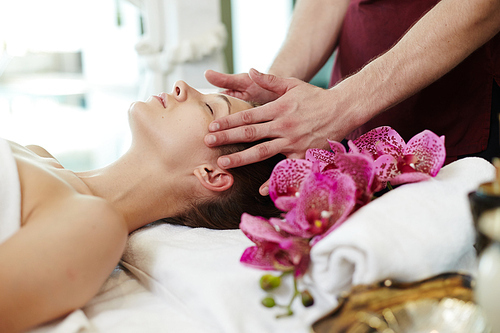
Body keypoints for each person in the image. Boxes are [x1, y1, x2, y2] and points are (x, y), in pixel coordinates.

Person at [0, 80, 283, 332]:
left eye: (209, 107)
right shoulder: (38, 155)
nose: (181, 86)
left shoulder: (94, 226)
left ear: (212, 175)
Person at [204, 0, 500, 195]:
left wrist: (342, 105)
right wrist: (277, 83)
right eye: (207, 104)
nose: (178, 88)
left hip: (469, 117)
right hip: (354, 130)